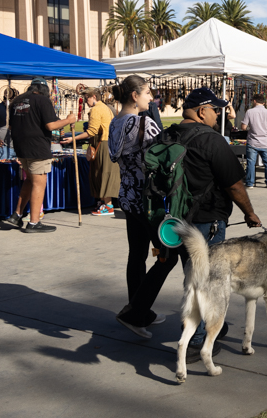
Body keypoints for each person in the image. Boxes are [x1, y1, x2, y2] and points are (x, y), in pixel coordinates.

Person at [161, 87, 263, 359]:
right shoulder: (212, 140)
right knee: (207, 281)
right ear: (202, 111)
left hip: (176, 222)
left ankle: (205, 324)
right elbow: (235, 185)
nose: (217, 116)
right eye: (215, 111)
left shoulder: (168, 134)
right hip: (208, 222)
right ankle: (197, 339)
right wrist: (250, 213)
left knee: (192, 275)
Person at [107, 75, 165, 338]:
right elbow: (163, 157)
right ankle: (137, 312)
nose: (151, 97)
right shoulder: (143, 122)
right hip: (147, 198)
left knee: (137, 255)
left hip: (128, 196)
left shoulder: (115, 122)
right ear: (135, 95)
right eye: (147, 93)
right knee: (166, 254)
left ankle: (139, 309)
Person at [5, 77, 76, 234]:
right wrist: (68, 120)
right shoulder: (42, 100)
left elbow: (13, 126)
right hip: (37, 148)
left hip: (21, 147)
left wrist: (59, 122)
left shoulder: (17, 101)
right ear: (44, 90)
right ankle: (34, 222)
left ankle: (17, 215)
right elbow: (50, 125)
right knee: (39, 183)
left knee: (29, 180)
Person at [61, 87, 121, 216]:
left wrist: (73, 138)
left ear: (94, 97)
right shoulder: (105, 107)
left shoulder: (96, 109)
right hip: (107, 143)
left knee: (103, 173)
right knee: (100, 173)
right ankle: (104, 202)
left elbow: (92, 131)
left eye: (87, 98)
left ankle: (108, 205)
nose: (85, 101)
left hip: (103, 144)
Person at [241, 94, 267, 188]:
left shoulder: (250, 112)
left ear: (254, 101)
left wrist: (251, 127)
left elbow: (243, 127)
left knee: (251, 162)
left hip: (253, 141)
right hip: (265, 142)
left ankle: (250, 183)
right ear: (263, 102)